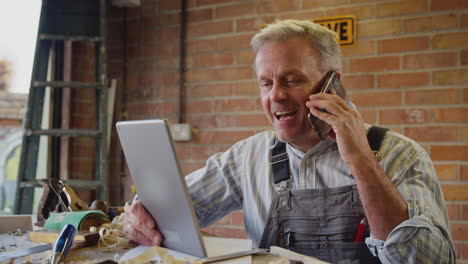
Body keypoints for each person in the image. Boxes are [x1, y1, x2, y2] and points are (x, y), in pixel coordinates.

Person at [122, 19, 455, 263]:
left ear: (331, 85)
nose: (276, 96)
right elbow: (166, 215)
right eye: (266, 83)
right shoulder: (247, 157)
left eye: (292, 79)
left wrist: (362, 162)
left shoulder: (400, 155)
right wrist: (136, 217)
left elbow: (429, 260)